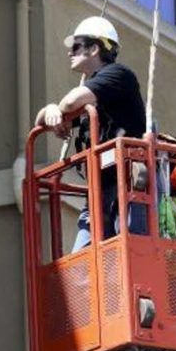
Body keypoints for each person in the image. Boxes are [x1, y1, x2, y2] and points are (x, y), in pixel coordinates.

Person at [34, 16, 147, 251]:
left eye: (76, 46)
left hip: (126, 188)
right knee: (84, 269)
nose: (69, 53)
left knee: (128, 255)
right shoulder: (95, 94)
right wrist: (51, 109)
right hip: (101, 191)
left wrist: (61, 107)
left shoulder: (118, 75)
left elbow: (73, 101)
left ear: (95, 48)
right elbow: (41, 123)